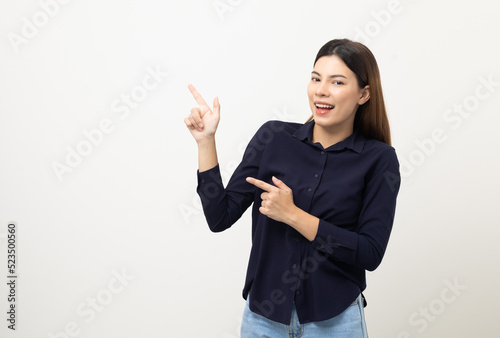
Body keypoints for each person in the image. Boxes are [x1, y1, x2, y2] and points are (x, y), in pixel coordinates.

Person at [184, 38, 401, 338]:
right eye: (316, 78)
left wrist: (293, 215)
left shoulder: (379, 160)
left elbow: (370, 253)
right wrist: (206, 141)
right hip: (263, 320)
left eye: (337, 82)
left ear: (363, 94)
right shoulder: (273, 137)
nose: (321, 90)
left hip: (336, 321)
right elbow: (219, 217)